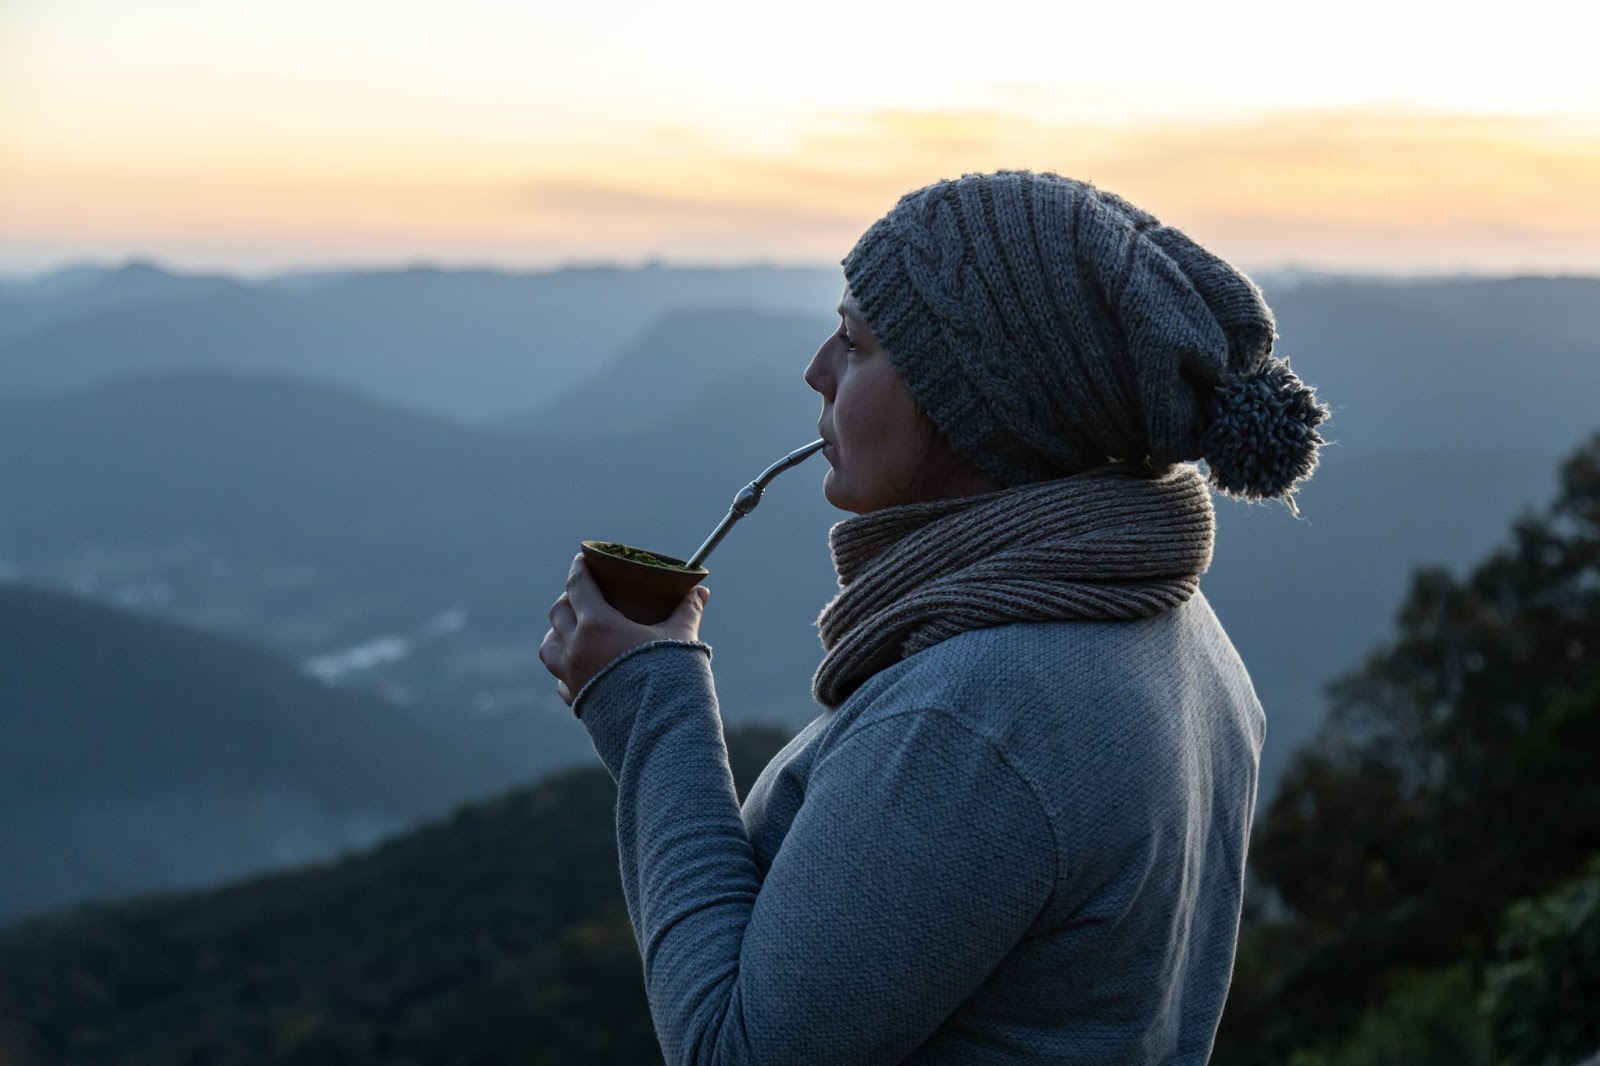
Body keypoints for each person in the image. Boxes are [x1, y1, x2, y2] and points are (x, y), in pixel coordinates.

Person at [539, 169, 1329, 1064]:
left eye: (856, 341)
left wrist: (650, 704)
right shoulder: (1174, 631)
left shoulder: (978, 718)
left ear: (976, 403)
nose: (816, 370)